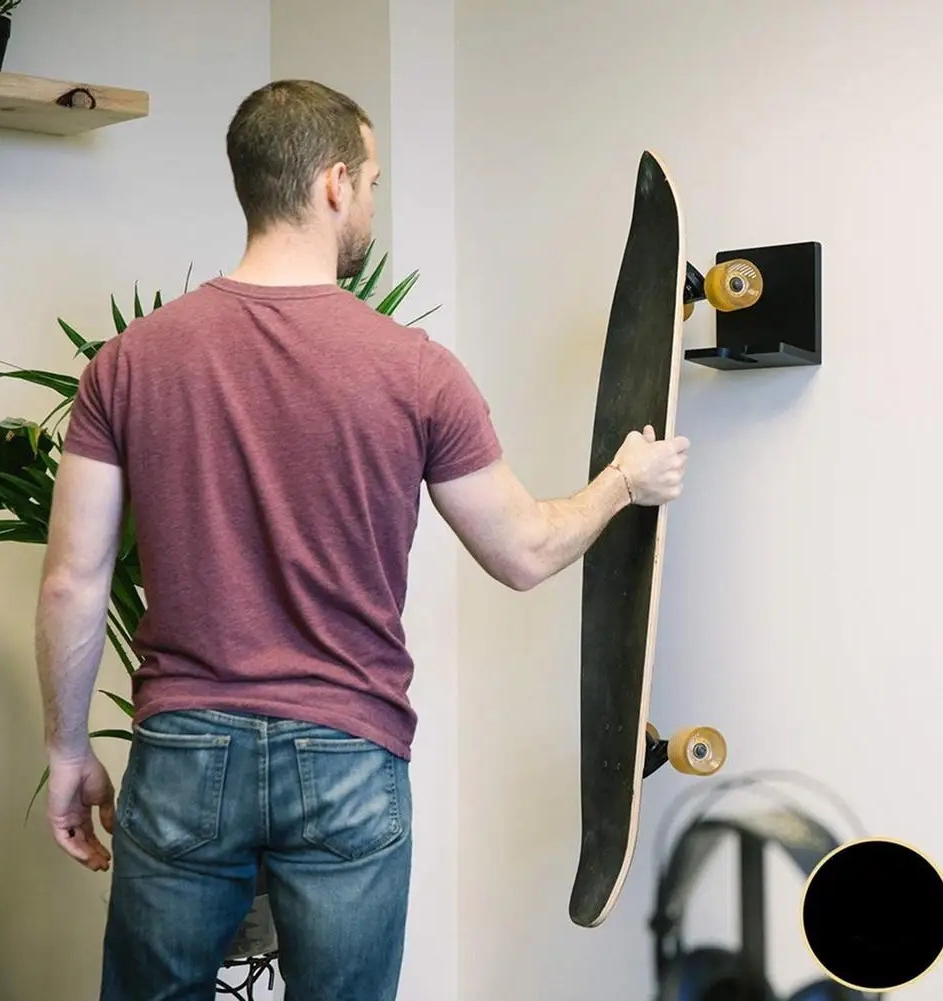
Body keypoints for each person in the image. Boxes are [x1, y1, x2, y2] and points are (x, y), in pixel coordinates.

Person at [34, 79, 690, 1001]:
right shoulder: (414, 370)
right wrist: (625, 480)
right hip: (346, 749)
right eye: (373, 181)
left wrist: (68, 751)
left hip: (185, 750)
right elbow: (523, 552)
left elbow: (73, 579)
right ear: (334, 183)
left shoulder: (130, 361)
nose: (373, 203)